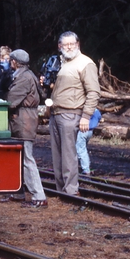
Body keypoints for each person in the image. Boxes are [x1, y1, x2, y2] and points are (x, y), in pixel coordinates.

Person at [46, 31, 100, 196]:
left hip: (72, 114)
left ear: (78, 44)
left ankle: (71, 190)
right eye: (65, 44)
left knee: (69, 154)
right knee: (57, 155)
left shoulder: (85, 63)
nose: (68, 47)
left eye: (72, 44)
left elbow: (93, 92)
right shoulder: (61, 63)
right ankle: (60, 189)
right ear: (60, 46)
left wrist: (85, 116)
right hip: (56, 113)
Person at [5, 49, 48, 208]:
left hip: (24, 120)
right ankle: (18, 192)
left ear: (15, 62)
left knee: (27, 159)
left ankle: (39, 196)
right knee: (19, 158)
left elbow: (12, 100)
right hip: (24, 119)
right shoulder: (28, 75)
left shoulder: (23, 78)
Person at [77, 108, 101, 175]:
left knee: (81, 150)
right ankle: (84, 166)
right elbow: (99, 117)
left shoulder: (83, 109)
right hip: (90, 131)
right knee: (83, 149)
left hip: (82, 131)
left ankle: (86, 170)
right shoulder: (95, 110)